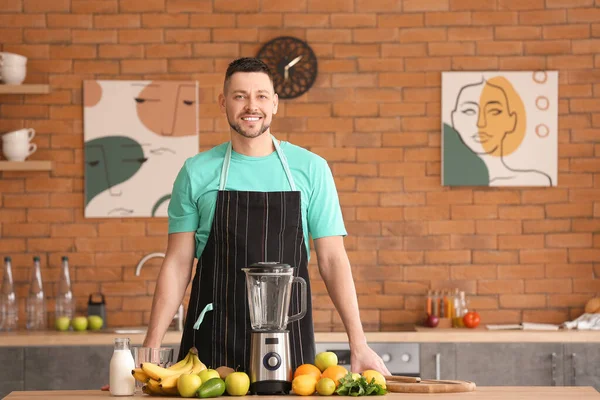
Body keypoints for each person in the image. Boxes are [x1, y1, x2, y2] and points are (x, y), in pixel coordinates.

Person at [142, 57, 390, 376]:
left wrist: (359, 344)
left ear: (274, 104)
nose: (251, 106)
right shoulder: (196, 172)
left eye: (261, 96)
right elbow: (177, 264)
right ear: (223, 103)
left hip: (288, 345)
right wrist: (150, 349)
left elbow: (333, 260)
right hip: (211, 348)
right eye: (240, 96)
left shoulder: (311, 169)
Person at [449, 76, 552, 186]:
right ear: (454, 119)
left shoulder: (537, 180)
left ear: (511, 121)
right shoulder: (453, 179)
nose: (481, 123)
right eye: (469, 111)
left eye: (494, 111)